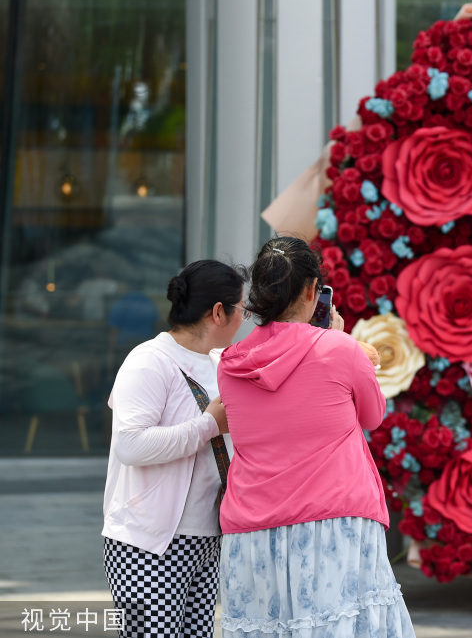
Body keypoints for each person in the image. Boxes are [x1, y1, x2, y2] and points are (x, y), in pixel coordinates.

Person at [217, 237, 415, 638]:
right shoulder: (340, 349)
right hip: (334, 520)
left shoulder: (231, 364)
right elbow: (373, 417)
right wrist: (338, 340)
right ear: (312, 291)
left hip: (252, 527)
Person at [102, 259, 247, 637]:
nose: (243, 318)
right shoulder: (149, 361)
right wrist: (208, 425)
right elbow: (131, 445)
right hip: (148, 544)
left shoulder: (219, 362)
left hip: (206, 537)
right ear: (219, 312)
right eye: (241, 309)